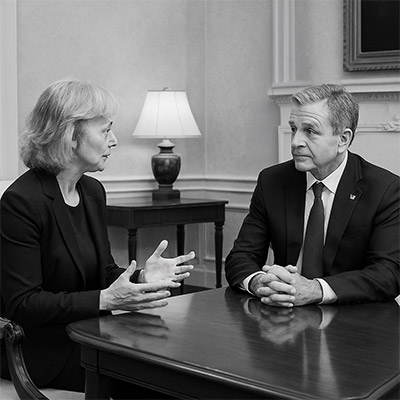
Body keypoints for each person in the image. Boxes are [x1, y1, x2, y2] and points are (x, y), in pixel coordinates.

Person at [0, 78, 195, 397]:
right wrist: (105, 299)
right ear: (70, 135)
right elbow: (24, 304)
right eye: (105, 131)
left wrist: (143, 278)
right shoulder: (21, 202)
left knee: (177, 362)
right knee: (154, 381)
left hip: (93, 332)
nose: (114, 141)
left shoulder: (92, 191)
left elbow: (104, 272)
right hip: (44, 350)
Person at [225, 83, 399, 307]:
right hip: (283, 311)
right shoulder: (272, 181)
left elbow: (388, 273)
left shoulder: (385, 189)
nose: (295, 142)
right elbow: (240, 257)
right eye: (293, 129)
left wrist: (316, 289)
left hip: (353, 316)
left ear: (343, 139)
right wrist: (260, 282)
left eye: (310, 131)